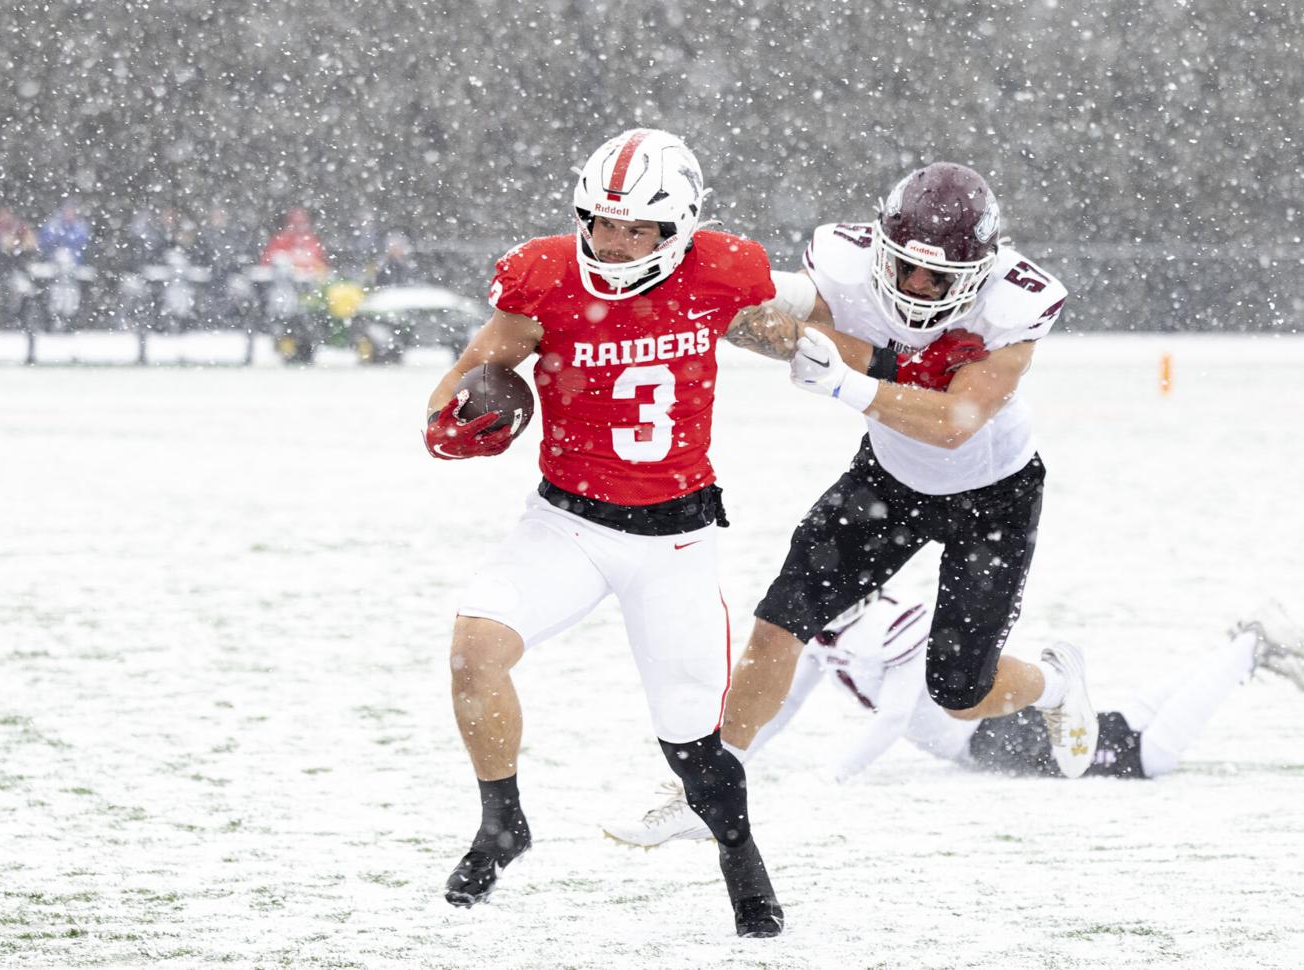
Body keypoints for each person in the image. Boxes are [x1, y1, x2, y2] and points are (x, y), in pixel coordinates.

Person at [421, 129, 976, 936]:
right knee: (474, 654)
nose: (613, 242)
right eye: (600, 222)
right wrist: (445, 417)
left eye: (636, 228)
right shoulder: (542, 275)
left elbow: (808, 322)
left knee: (690, 742)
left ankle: (742, 865)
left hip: (673, 543)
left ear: (676, 228)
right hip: (564, 522)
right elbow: (481, 358)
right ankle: (502, 822)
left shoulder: (721, 271)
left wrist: (910, 358)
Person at [718, 162, 1099, 783]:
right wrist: (744, 302)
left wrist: (845, 382)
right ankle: (710, 783)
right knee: (780, 620)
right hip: (889, 481)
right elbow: (774, 322)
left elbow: (956, 421)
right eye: (906, 266)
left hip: (993, 496)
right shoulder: (845, 260)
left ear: (978, 271)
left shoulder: (1015, 302)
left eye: (939, 273)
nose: (919, 284)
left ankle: (1056, 683)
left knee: (959, 690)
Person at [604, 595, 1304, 847]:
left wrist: (837, 777)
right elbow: (784, 703)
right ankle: (1244, 641)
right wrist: (738, 758)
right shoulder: (828, 633)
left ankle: (1246, 647)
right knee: (1131, 723)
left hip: (986, 730)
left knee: (1148, 755)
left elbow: (896, 716)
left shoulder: (895, 628)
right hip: (977, 742)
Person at [260, 207, 328, 278]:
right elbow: (268, 262)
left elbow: (322, 265)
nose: (299, 227)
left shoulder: (311, 241)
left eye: (302, 223)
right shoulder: (280, 240)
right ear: (289, 224)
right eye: (296, 223)